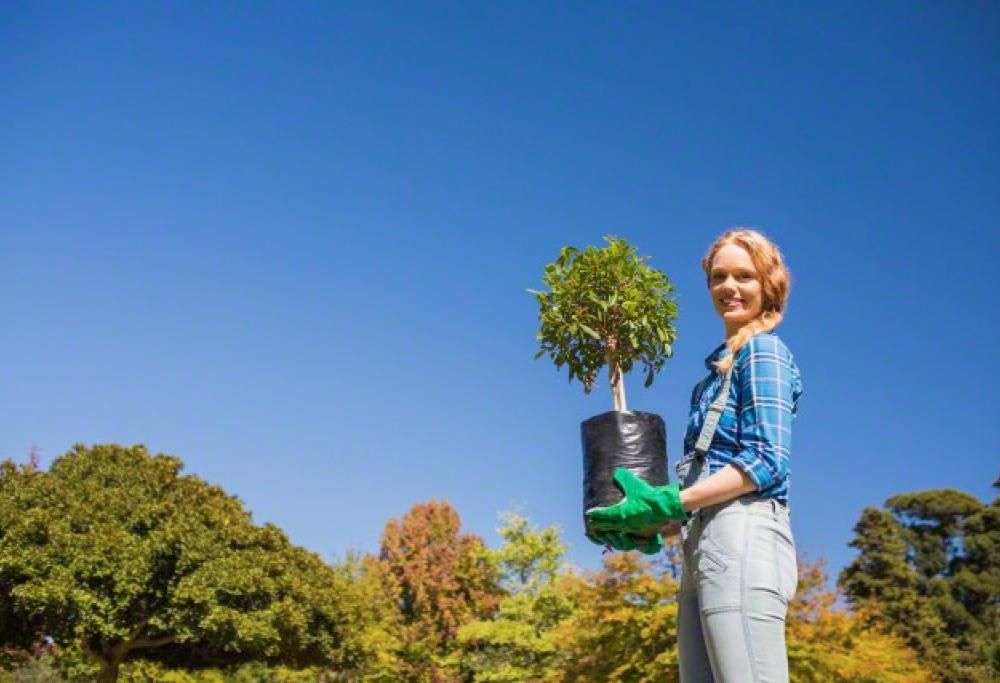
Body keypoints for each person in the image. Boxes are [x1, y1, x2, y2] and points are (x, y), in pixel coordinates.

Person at [587, 228, 803, 682]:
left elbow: (766, 460)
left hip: (743, 531)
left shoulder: (763, 352)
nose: (729, 287)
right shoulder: (710, 379)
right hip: (700, 542)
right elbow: (700, 486)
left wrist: (671, 502)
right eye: (718, 277)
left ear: (768, 284)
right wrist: (652, 521)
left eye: (744, 275)